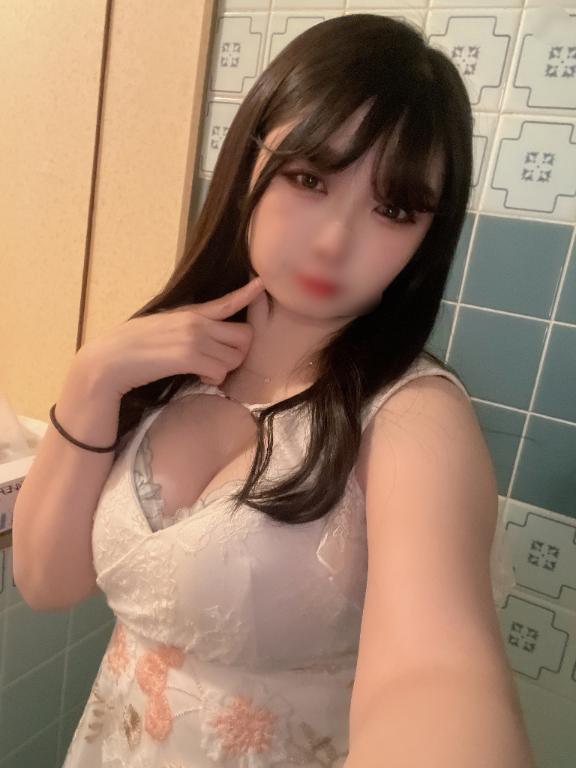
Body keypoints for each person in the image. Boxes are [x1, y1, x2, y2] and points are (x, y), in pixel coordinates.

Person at [13, 13, 529, 768]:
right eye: (309, 178)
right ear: (248, 160)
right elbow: (48, 583)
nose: (333, 241)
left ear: (428, 236)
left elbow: (434, 675)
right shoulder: (167, 366)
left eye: (393, 209)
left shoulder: (413, 418)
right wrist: (91, 379)